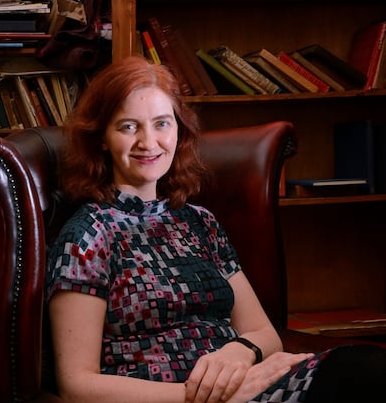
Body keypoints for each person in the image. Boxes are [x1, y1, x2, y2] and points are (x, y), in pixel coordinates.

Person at [45, 55, 386, 403]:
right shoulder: (88, 235)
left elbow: (264, 333)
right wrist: (203, 397)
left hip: (248, 386)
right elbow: (77, 384)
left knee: (369, 369)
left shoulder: (199, 222)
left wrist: (240, 351)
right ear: (102, 138)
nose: (149, 142)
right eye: (128, 127)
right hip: (181, 399)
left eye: (162, 123)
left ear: (179, 129)